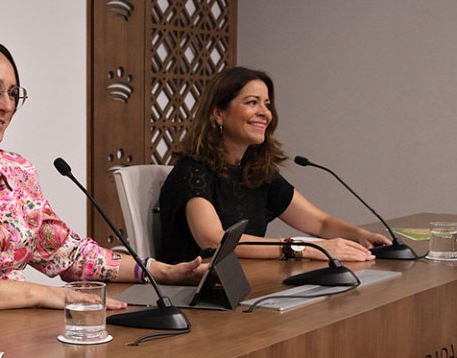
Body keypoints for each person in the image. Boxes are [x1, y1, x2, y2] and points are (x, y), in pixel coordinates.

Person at [0, 39, 208, 314]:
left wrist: (159, 270)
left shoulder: (16, 171)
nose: (6, 105)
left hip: (14, 335)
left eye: (12, 93)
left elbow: (67, 252)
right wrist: (40, 294)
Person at [158, 66, 391, 264]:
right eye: (252, 102)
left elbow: (320, 223)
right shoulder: (192, 171)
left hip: (248, 286)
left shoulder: (256, 171)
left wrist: (360, 235)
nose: (265, 113)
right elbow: (214, 240)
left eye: (266, 104)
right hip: (196, 297)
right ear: (218, 113)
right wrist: (301, 249)